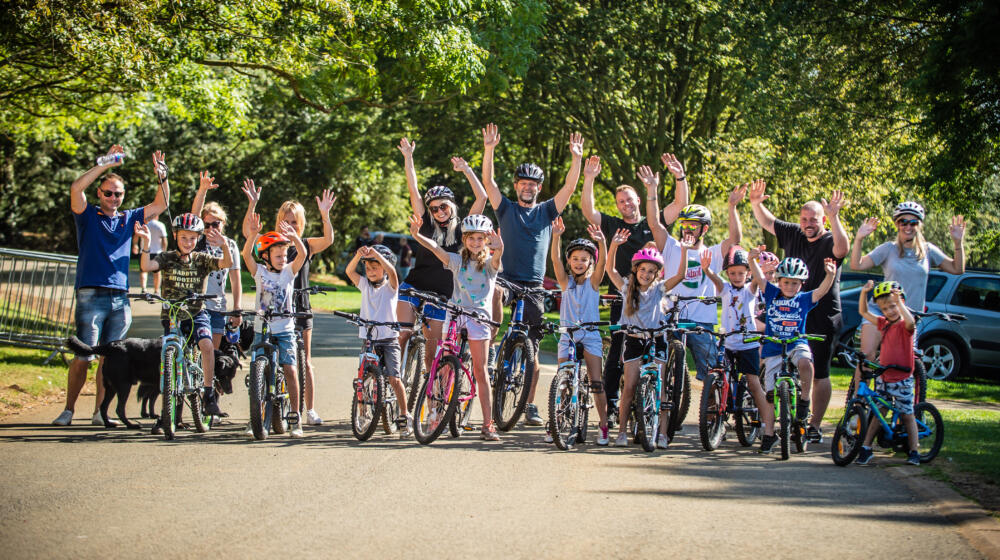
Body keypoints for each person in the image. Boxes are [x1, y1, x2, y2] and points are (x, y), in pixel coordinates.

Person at [53, 146, 168, 427]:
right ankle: (68, 410)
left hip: (120, 297)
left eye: (118, 194)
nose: (113, 198)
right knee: (84, 354)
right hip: (90, 293)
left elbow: (160, 204)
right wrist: (105, 165)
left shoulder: (129, 218)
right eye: (108, 193)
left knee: (110, 358)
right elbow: (76, 187)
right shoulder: (87, 215)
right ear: (99, 194)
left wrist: (162, 177)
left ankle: (98, 414)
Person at [481, 123, 583, 427]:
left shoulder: (547, 212)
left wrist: (576, 160)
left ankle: (528, 406)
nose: (528, 187)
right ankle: (491, 343)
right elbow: (488, 181)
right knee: (497, 293)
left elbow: (569, 189)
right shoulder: (506, 209)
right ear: (516, 186)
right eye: (523, 183)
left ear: (539, 188)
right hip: (506, 278)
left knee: (533, 356)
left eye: (533, 184)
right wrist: (489, 150)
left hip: (535, 286)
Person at [580, 153, 688, 425]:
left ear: (638, 200)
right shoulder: (614, 225)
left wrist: (679, 177)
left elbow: (680, 204)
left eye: (629, 199)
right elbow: (588, 211)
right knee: (617, 353)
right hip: (623, 297)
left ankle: (651, 403)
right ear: (617, 206)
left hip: (654, 299)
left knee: (655, 349)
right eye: (621, 202)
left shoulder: (654, 222)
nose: (626, 204)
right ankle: (615, 406)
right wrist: (589, 179)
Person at [749, 181, 848, 443]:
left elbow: (842, 249)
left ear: (823, 220)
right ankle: (772, 417)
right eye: (804, 219)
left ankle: (812, 424)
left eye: (813, 219)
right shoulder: (794, 233)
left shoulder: (829, 239)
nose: (808, 223)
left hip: (822, 314)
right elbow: (769, 222)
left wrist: (835, 218)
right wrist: (756, 204)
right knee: (772, 355)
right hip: (786, 313)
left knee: (819, 371)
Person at [241, 180, 335, 427]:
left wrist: (325, 215)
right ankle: (265, 402)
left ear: (301, 224)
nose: (290, 225)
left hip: (299, 308)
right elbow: (248, 236)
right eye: (286, 220)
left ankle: (309, 409)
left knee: (304, 361)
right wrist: (252, 204)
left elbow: (329, 239)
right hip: (271, 312)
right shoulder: (271, 245)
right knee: (272, 356)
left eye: (295, 221)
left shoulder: (306, 245)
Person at [396, 137, 487, 381]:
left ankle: (431, 398)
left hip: (443, 294)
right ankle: (392, 381)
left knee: (431, 353)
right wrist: (408, 157)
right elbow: (413, 189)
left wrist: (467, 170)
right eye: (434, 208)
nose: (439, 212)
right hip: (414, 284)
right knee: (403, 333)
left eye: (443, 206)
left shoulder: (464, 229)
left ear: (452, 206)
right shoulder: (425, 222)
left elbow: (482, 199)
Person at [409, 213, 504, 441]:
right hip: (455, 313)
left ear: (486, 240)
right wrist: (416, 235)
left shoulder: (490, 263)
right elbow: (435, 248)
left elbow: (497, 261)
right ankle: (435, 413)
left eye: (480, 238)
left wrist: (499, 249)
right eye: (471, 238)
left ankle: (487, 424)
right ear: (464, 239)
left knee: (480, 371)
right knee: (444, 365)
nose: (475, 243)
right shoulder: (456, 260)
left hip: (479, 317)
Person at [645, 171, 746, 383]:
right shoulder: (671, 246)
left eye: (693, 225)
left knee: (712, 372)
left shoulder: (714, 253)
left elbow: (735, 239)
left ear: (704, 229)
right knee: (660, 367)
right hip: (671, 316)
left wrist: (732, 207)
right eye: (684, 224)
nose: (688, 229)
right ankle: (661, 405)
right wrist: (652, 190)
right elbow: (654, 224)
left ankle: (709, 409)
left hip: (702, 320)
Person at [136, 212, 233, 420]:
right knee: (169, 353)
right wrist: (145, 243)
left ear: (198, 238)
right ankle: (170, 408)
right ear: (175, 236)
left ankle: (208, 395)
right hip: (172, 314)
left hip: (197, 313)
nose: (188, 242)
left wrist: (224, 245)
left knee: (207, 346)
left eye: (192, 238)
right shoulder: (167, 257)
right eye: (183, 238)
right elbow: (146, 266)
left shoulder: (202, 259)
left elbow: (226, 263)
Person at [850, 202, 965, 360]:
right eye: (903, 222)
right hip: (881, 312)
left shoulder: (928, 250)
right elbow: (857, 264)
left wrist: (958, 243)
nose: (908, 226)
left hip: (908, 317)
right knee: (867, 357)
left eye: (913, 222)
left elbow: (957, 269)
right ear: (897, 224)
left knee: (904, 364)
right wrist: (859, 239)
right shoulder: (888, 249)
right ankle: (861, 385)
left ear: (919, 225)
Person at [747, 251, 836, 453]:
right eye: (786, 282)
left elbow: (821, 291)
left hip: (797, 343)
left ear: (801, 284)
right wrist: (752, 260)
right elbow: (760, 278)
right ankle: (769, 434)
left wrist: (830, 275)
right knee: (770, 394)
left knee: (806, 363)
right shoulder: (771, 293)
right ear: (779, 281)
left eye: (795, 283)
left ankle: (805, 399)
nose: (790, 287)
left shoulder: (804, 299)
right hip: (773, 347)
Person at [605, 233, 688, 448]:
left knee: (660, 389)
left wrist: (685, 251)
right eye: (642, 270)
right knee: (630, 387)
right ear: (635, 270)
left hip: (656, 340)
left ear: (657, 274)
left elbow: (680, 275)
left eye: (651, 271)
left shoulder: (659, 289)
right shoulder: (627, 288)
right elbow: (609, 270)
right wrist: (613, 246)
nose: (646, 274)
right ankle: (622, 431)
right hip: (634, 341)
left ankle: (661, 433)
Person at [241, 216, 309, 437]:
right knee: (257, 372)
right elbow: (245, 255)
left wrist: (294, 238)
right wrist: (253, 234)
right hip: (262, 327)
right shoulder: (260, 272)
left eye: (284, 255)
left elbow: (303, 254)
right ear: (266, 256)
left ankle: (295, 417)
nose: (282, 259)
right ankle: (255, 419)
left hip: (285, 328)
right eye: (277, 255)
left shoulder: (289, 272)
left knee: (290, 369)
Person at [548, 217, 610, 445]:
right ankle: (557, 421)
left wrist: (602, 243)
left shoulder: (593, 283)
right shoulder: (566, 283)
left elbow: (603, 263)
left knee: (596, 382)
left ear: (590, 263)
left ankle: (603, 425)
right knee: (562, 381)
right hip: (568, 335)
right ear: (570, 261)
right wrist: (556, 236)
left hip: (591, 335)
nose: (579, 262)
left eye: (584, 259)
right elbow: (554, 259)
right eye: (575, 259)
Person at [704, 246, 771, 453]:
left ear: (748, 273)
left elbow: (758, 280)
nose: (736, 277)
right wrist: (707, 270)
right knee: (716, 377)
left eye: (741, 273)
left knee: (753, 381)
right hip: (728, 343)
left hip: (748, 344)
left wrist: (752, 261)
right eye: (732, 273)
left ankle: (768, 428)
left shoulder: (751, 290)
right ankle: (714, 421)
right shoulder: (725, 288)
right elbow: (716, 280)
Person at [345, 244, 413, 438]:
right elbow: (349, 271)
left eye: (375, 267)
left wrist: (378, 257)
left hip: (389, 339)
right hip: (369, 339)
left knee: (394, 378)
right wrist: (359, 255)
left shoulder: (391, 287)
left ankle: (403, 414)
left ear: (384, 267)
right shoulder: (365, 285)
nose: (371, 271)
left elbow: (392, 272)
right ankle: (362, 413)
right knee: (363, 378)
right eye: (368, 268)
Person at [854, 281, 921, 466]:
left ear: (901, 303)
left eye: (893, 306)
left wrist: (899, 303)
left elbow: (910, 322)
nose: (890, 311)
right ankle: (866, 448)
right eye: (885, 308)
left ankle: (914, 449)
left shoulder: (905, 326)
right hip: (884, 377)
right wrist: (864, 293)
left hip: (902, 378)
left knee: (907, 415)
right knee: (878, 412)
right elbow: (864, 313)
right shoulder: (884, 324)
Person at [191, 171, 242, 349]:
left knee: (212, 353)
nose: (212, 228)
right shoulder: (197, 241)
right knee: (193, 351)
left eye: (216, 224)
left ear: (223, 223)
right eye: (207, 225)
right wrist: (202, 190)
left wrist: (236, 309)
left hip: (217, 306)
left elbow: (236, 281)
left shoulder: (231, 245)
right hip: (195, 305)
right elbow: (194, 216)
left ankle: (209, 378)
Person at [132, 212, 166, 294]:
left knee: (143, 271)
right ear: (157, 216)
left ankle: (144, 288)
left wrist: (135, 245)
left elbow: (136, 236)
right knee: (157, 272)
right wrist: (164, 251)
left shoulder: (144, 225)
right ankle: (156, 290)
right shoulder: (160, 225)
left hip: (144, 251)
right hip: (157, 251)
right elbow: (164, 240)